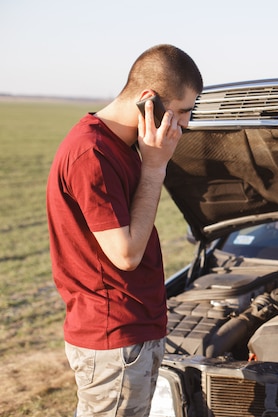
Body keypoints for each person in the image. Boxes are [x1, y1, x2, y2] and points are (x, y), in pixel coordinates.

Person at [46, 44, 203, 416]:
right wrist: (154, 168)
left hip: (133, 332)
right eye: (181, 111)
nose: (184, 123)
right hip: (113, 337)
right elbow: (126, 254)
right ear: (148, 100)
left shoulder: (121, 146)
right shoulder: (92, 153)